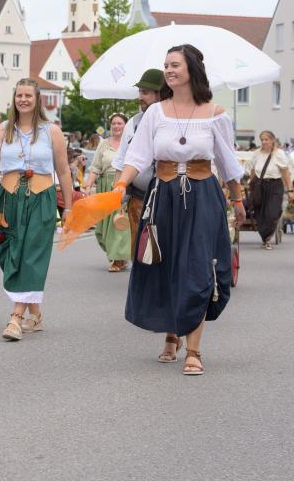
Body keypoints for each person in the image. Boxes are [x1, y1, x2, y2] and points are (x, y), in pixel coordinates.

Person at [114, 45, 246, 375]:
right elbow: (138, 157)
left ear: (192, 70)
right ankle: (171, 335)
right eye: (166, 65)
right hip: (163, 196)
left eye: (175, 65)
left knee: (198, 269)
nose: (169, 70)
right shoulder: (156, 113)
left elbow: (229, 163)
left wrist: (239, 200)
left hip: (203, 196)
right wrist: (120, 186)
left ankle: (194, 349)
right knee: (166, 265)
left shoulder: (215, 113)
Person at [0, 78, 74, 342]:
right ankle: (35, 313)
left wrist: (69, 207)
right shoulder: (2, 130)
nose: (23, 100)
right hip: (8, 201)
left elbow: (63, 171)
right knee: (6, 251)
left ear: (37, 99)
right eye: (19, 95)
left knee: (31, 255)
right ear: (14, 99)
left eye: (28, 95)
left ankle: (16, 317)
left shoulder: (51, 131)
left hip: (41, 199)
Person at [112, 69, 164, 260]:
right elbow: (122, 160)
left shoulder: (172, 121)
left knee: (163, 244)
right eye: (140, 92)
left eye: (146, 92)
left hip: (166, 195)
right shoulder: (133, 123)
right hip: (139, 198)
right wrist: (118, 189)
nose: (140, 97)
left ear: (160, 93)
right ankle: (141, 286)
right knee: (139, 246)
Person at [85, 112, 130, 271]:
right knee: (102, 227)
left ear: (126, 125)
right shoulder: (104, 143)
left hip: (122, 186)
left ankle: (118, 259)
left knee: (118, 223)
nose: (116, 126)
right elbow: (95, 167)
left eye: (120, 123)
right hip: (104, 186)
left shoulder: (131, 143)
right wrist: (88, 186)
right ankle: (117, 254)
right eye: (114, 124)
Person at [246, 130, 292, 250]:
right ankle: (265, 238)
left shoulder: (279, 154)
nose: (264, 142)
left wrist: (290, 190)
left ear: (272, 140)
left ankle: (267, 236)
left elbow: (286, 173)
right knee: (260, 213)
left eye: (266, 139)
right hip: (259, 186)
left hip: (275, 185)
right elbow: (252, 171)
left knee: (272, 212)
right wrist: (250, 185)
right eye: (262, 139)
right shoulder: (256, 154)